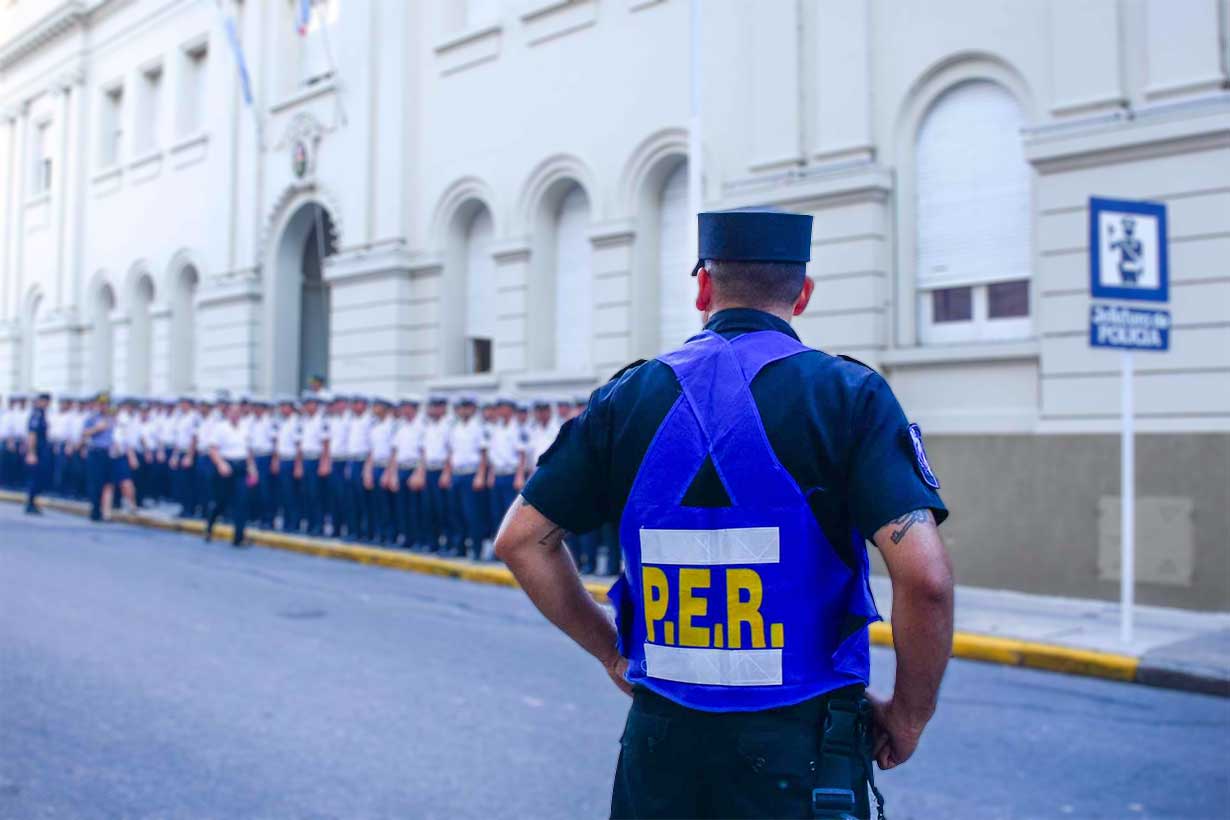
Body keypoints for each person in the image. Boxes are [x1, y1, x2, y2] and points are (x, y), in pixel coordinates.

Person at [495, 209, 955, 820]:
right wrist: (908, 716)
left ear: (703, 289)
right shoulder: (849, 396)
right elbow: (926, 581)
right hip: (802, 748)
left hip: (659, 747)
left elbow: (522, 541)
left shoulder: (624, 398)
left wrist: (612, 652)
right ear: (803, 295)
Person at [203, 399, 256, 548]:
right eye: (232, 412)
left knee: (242, 501)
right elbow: (213, 449)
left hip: (241, 466)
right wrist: (221, 464)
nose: (235, 415)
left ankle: (238, 537)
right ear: (227, 413)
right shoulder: (220, 428)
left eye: (238, 412)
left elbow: (248, 450)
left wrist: (252, 468)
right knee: (221, 502)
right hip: (226, 466)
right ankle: (209, 527)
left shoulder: (245, 427)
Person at [443, 395, 484, 559]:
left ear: (473, 409)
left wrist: (480, 475)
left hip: (471, 473)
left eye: (467, 407)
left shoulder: (479, 427)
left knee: (472, 514)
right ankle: (459, 547)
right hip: (456, 474)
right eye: (460, 407)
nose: (463, 410)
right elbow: (450, 452)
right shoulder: (454, 427)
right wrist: (447, 473)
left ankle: (476, 549)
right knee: (456, 512)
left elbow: (483, 454)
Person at [364, 397, 397, 545]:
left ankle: (390, 535)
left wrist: (389, 473)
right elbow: (371, 451)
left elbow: (393, 452)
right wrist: (368, 471)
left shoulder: (393, 426)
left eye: (377, 406)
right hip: (376, 466)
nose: (374, 408)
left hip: (386, 466)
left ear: (385, 408)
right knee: (376, 503)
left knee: (388, 505)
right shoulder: (374, 425)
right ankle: (379, 534)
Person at [392, 398, 425, 549]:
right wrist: (393, 473)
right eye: (403, 407)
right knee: (402, 507)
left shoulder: (422, 426)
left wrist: (418, 473)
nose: (404, 410)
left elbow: (423, 452)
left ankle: (419, 539)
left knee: (415, 508)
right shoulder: (400, 426)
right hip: (402, 468)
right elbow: (395, 451)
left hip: (414, 468)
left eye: (407, 407)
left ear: (414, 408)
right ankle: (407, 538)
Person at [420, 395, 451, 552]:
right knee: (428, 508)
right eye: (431, 406)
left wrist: (446, 472)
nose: (432, 410)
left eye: (436, 406)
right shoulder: (428, 426)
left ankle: (447, 543)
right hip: (429, 470)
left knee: (443, 509)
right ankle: (432, 542)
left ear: (443, 408)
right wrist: (421, 472)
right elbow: (424, 452)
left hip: (441, 470)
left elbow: (451, 451)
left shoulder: (449, 425)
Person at [81, 393, 116, 522]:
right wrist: (97, 428)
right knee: (95, 482)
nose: (103, 406)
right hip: (96, 451)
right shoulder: (92, 418)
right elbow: (84, 433)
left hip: (109, 453)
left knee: (107, 483)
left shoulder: (112, 418)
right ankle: (95, 510)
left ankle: (106, 512)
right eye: (101, 404)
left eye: (106, 404)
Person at [299, 392, 330, 536]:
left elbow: (325, 444)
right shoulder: (303, 420)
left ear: (316, 405)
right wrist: (299, 464)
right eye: (306, 404)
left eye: (311, 404)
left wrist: (324, 463)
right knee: (306, 493)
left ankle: (319, 525)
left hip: (316, 459)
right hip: (306, 459)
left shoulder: (322, 420)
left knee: (316, 494)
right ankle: (310, 523)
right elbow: (299, 444)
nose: (308, 407)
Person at [271, 397, 302, 533]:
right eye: (281, 406)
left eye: (286, 406)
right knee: (283, 494)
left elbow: (298, 446)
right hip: (282, 460)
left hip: (291, 460)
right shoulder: (281, 422)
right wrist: (276, 460)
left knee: (292, 494)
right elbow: (278, 444)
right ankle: (286, 521)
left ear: (291, 408)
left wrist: (297, 465)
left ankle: (293, 523)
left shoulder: (296, 422)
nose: (283, 409)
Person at [23, 392, 51, 514]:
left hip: (42, 448)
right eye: (45, 401)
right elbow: (32, 434)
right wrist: (31, 453)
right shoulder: (36, 414)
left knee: (40, 477)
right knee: (35, 477)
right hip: (37, 449)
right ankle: (30, 504)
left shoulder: (42, 413)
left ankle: (33, 502)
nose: (47, 404)